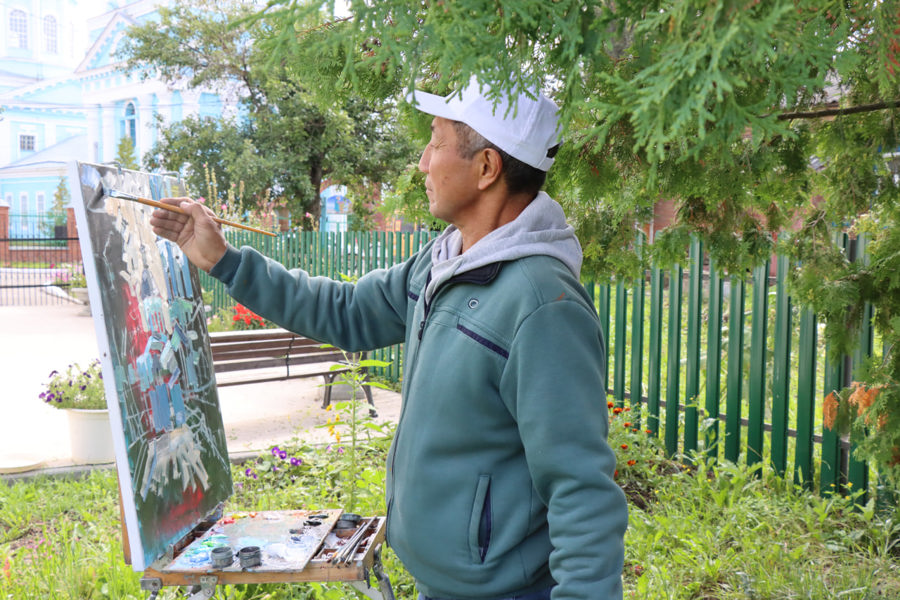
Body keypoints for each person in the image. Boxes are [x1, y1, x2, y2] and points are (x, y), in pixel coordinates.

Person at [150, 79, 628, 600]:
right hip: (442, 586)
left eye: (436, 141)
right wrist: (224, 260)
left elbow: (580, 488)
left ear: (487, 167)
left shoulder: (541, 305)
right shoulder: (446, 261)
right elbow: (348, 310)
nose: (423, 162)